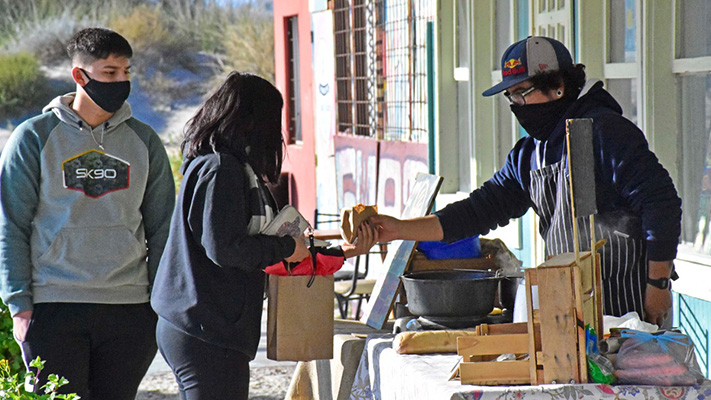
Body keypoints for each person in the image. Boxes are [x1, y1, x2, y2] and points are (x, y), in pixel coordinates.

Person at [370, 36, 681, 327]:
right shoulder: (529, 155)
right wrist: (398, 228)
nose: (516, 105)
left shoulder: (606, 133)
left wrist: (658, 284)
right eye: (511, 96)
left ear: (558, 86)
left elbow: (661, 204)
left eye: (523, 92)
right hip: (570, 310)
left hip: (631, 309)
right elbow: (475, 212)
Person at [150, 71, 379, 400]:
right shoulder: (221, 169)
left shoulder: (219, 165)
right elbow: (226, 249)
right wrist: (286, 246)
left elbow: (262, 248)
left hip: (203, 325)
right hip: (204, 328)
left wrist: (342, 252)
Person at [0, 28, 175, 398]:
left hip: (129, 307)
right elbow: (10, 224)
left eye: (126, 71)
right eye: (110, 72)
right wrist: (19, 304)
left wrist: (159, 305)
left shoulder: (144, 141)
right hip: (53, 306)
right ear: (80, 76)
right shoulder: (33, 137)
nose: (121, 81)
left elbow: (163, 230)